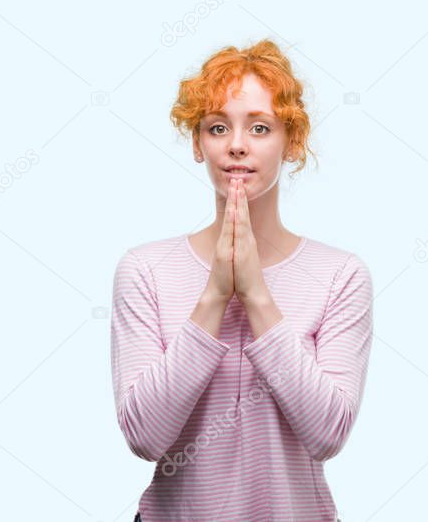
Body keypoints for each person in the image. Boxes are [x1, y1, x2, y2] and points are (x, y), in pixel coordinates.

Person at [111, 39, 370, 521]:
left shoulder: (341, 275)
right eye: (216, 127)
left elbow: (328, 434)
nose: (236, 144)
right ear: (197, 143)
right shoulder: (143, 270)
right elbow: (145, 438)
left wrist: (255, 295)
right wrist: (214, 295)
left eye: (259, 127)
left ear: (290, 141)